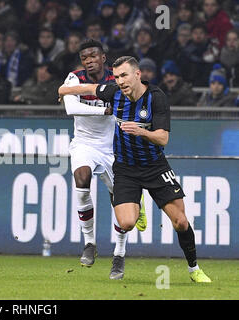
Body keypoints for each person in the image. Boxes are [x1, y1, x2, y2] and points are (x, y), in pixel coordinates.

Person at [58, 56, 212, 283]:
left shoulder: (156, 98)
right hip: (125, 170)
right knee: (127, 223)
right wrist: (63, 90)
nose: (120, 81)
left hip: (155, 167)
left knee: (180, 221)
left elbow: (163, 138)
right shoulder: (113, 93)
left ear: (137, 74)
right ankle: (137, 200)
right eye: (117, 76)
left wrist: (142, 132)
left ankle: (194, 269)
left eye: (124, 75)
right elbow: (88, 87)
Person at [58, 40, 146, 280]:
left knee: (120, 204)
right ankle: (89, 243)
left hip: (112, 148)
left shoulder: (116, 80)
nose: (88, 60)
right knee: (81, 178)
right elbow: (71, 108)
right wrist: (105, 110)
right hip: (84, 143)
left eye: (93, 56)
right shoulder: (74, 78)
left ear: (103, 57)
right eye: (84, 57)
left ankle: (119, 255)